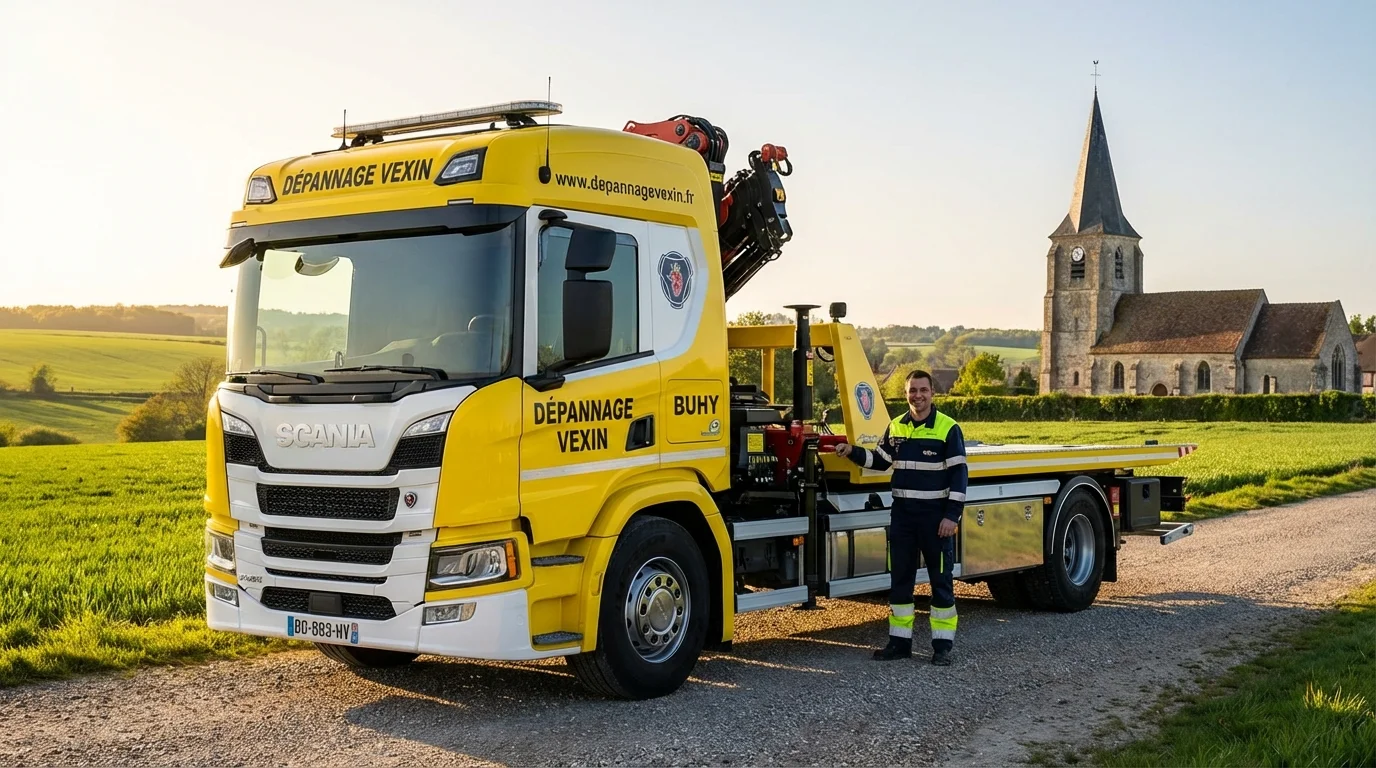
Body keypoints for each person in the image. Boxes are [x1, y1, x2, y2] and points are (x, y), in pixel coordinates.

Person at [836, 369, 967, 665]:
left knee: (941, 583)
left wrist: (952, 516)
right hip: (903, 519)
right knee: (900, 582)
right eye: (912, 391)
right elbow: (881, 461)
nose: (917, 396)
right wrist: (852, 451)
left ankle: (942, 647)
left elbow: (959, 476)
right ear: (906, 393)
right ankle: (899, 643)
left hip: (936, 520)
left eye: (923, 390)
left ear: (932, 393)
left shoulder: (948, 428)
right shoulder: (895, 426)